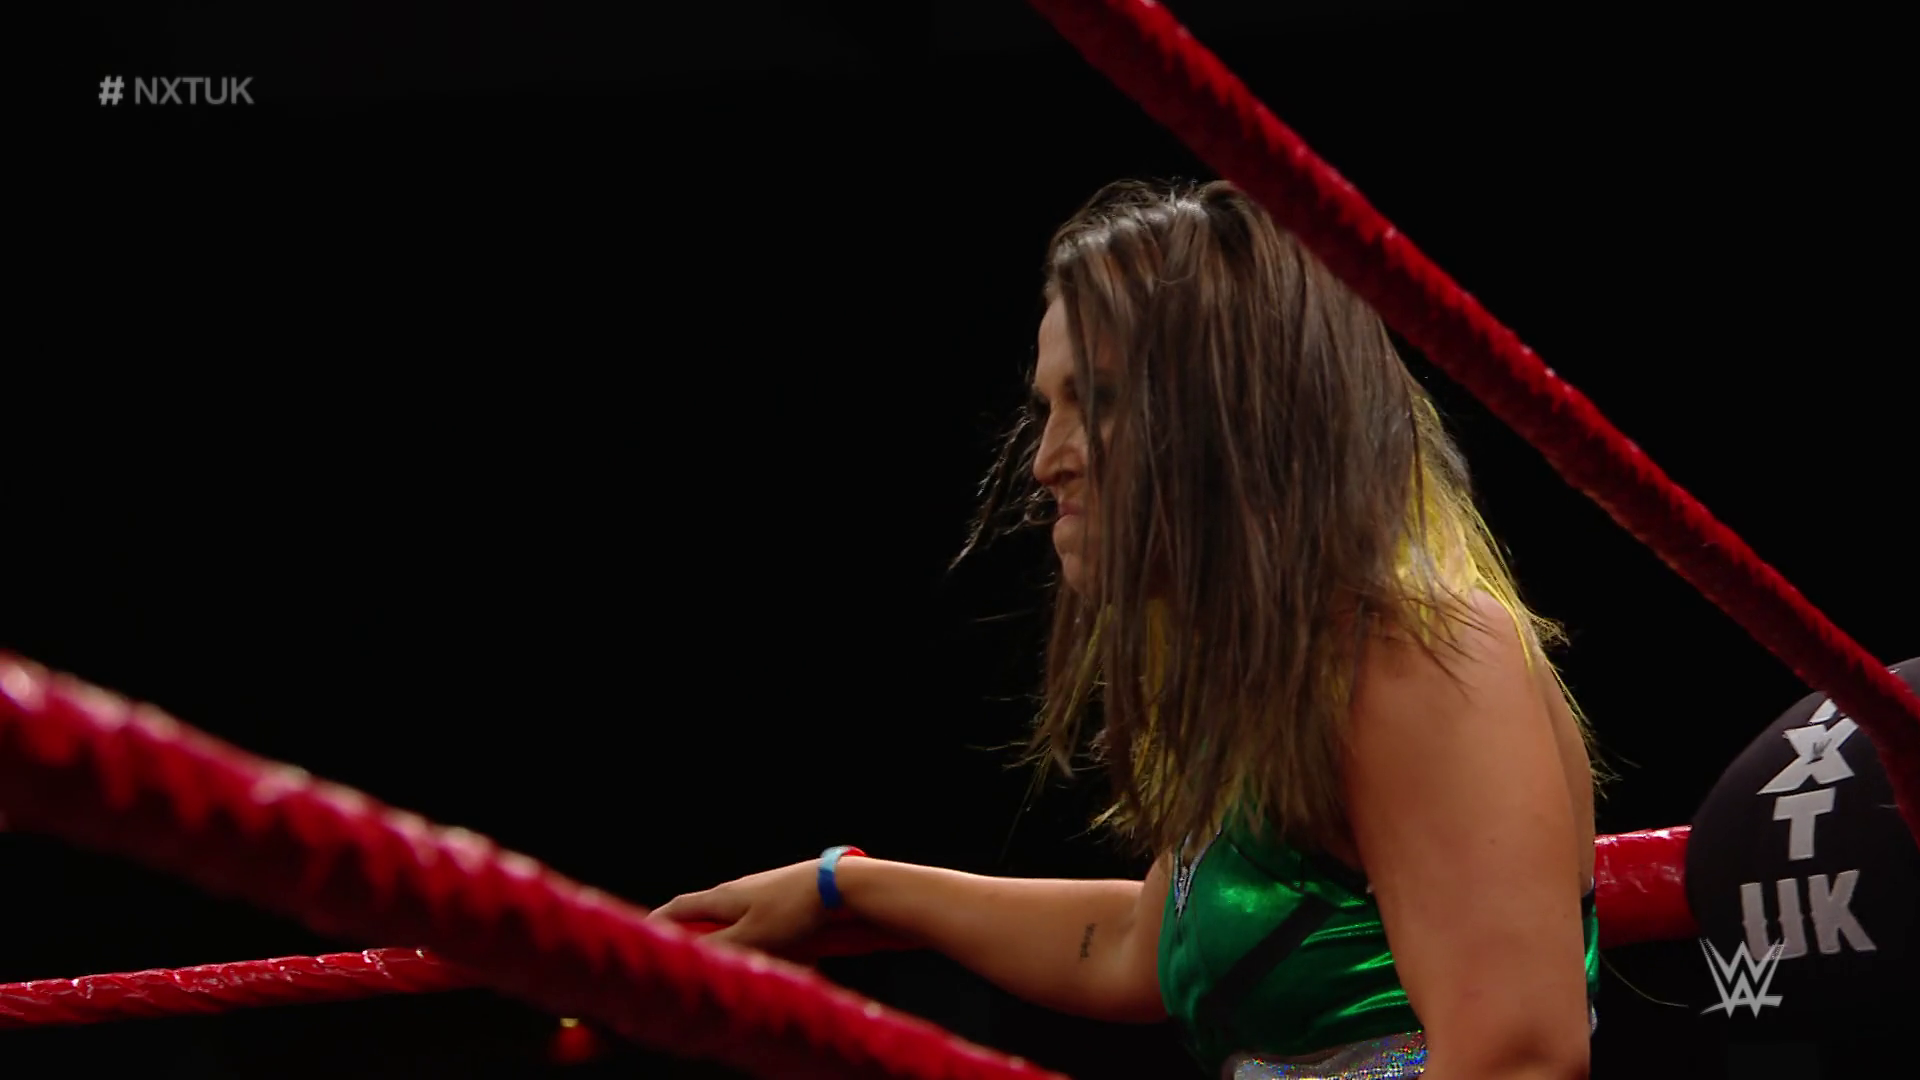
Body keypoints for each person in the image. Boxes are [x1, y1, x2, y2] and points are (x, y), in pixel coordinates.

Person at [650, 180, 1602, 1080]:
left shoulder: (1415, 656)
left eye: (1095, 402)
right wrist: (847, 887)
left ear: (1227, 412)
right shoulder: (1285, 681)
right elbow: (1135, 946)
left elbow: (1517, 1058)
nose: (1046, 461)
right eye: (1048, 408)